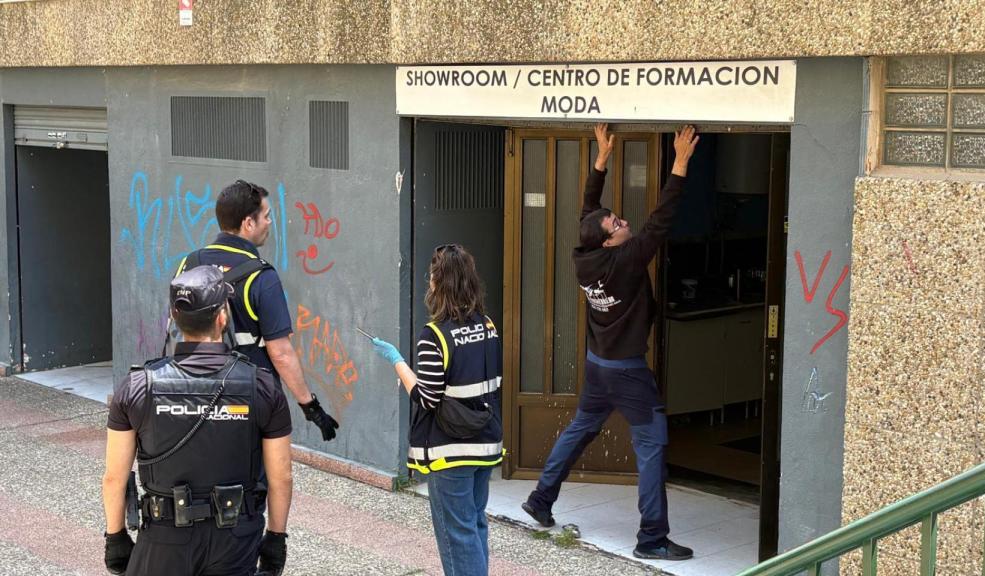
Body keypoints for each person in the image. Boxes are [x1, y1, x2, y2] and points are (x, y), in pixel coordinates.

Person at [521, 123, 700, 561]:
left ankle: (541, 499)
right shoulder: (626, 260)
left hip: (598, 362)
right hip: (626, 370)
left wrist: (601, 159)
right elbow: (661, 221)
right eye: (617, 223)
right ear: (611, 239)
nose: (623, 221)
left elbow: (588, 208)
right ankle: (652, 538)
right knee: (652, 444)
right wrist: (679, 162)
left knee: (581, 427)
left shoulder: (585, 256)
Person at [102, 265, 293, 575]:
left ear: (175, 318)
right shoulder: (261, 386)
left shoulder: (138, 386)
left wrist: (116, 537)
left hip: (163, 539)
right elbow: (281, 476)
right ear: (222, 318)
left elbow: (115, 476)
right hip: (235, 540)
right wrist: (275, 538)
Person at [371, 244, 502, 576]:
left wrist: (398, 362)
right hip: (486, 442)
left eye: (431, 276)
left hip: (451, 451)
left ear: (437, 283)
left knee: (457, 535)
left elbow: (427, 398)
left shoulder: (434, 335)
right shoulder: (487, 325)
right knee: (474, 524)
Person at [175, 179, 339, 442]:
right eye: (266, 216)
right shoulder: (261, 276)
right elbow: (281, 353)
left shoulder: (188, 263)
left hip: (192, 388)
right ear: (248, 223)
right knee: (258, 476)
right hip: (248, 396)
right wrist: (311, 407)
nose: (270, 222)